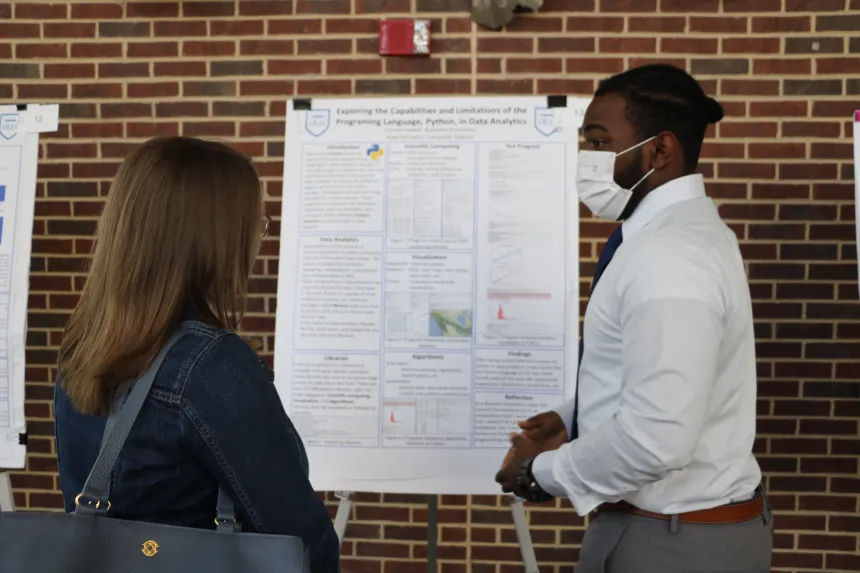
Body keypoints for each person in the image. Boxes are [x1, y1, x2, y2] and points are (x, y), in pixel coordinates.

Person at [496, 64, 773, 572]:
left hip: (670, 543)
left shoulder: (669, 255)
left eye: (599, 144)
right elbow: (663, 374)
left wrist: (541, 474)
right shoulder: (675, 236)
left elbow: (657, 437)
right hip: (680, 532)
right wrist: (575, 415)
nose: (587, 160)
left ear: (660, 150)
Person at [54, 136, 340, 573]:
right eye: (254, 227)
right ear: (215, 240)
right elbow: (300, 541)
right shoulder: (210, 365)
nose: (256, 245)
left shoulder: (82, 346)